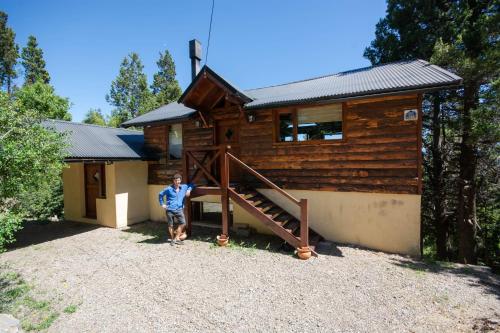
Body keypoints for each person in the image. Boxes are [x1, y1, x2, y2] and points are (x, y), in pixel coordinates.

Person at [158, 174, 193, 246]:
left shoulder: (184, 187)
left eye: (179, 180)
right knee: (171, 225)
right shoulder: (168, 189)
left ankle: (176, 238)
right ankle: (172, 238)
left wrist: (189, 190)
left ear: (181, 180)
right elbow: (160, 195)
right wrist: (162, 204)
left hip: (179, 209)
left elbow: (191, 184)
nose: (178, 182)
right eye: (176, 180)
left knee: (183, 223)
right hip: (170, 209)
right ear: (173, 181)